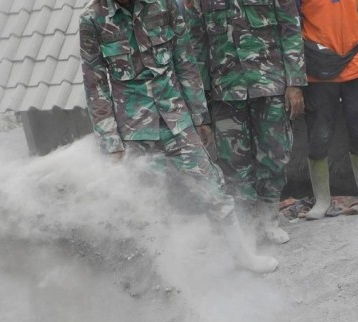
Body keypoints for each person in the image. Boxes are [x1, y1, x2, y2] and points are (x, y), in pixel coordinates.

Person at [80, 0, 278, 272]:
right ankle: (165, 274)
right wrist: (111, 142)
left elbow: (186, 64)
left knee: (214, 191)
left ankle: (242, 258)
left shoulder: (166, 5)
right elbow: (95, 85)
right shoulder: (92, 19)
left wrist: (200, 118)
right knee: (147, 204)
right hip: (135, 133)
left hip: (177, 120)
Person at [185, 0, 307, 245]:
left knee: (275, 153)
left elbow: (290, 28)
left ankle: (269, 219)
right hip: (225, 90)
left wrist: (295, 83)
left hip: (270, 84)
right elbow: (196, 45)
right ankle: (248, 225)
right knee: (234, 162)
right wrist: (202, 103)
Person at [300, 0, 358, 218]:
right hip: (317, 68)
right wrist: (295, 78)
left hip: (356, 64)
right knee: (318, 135)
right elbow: (292, 27)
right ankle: (322, 200)